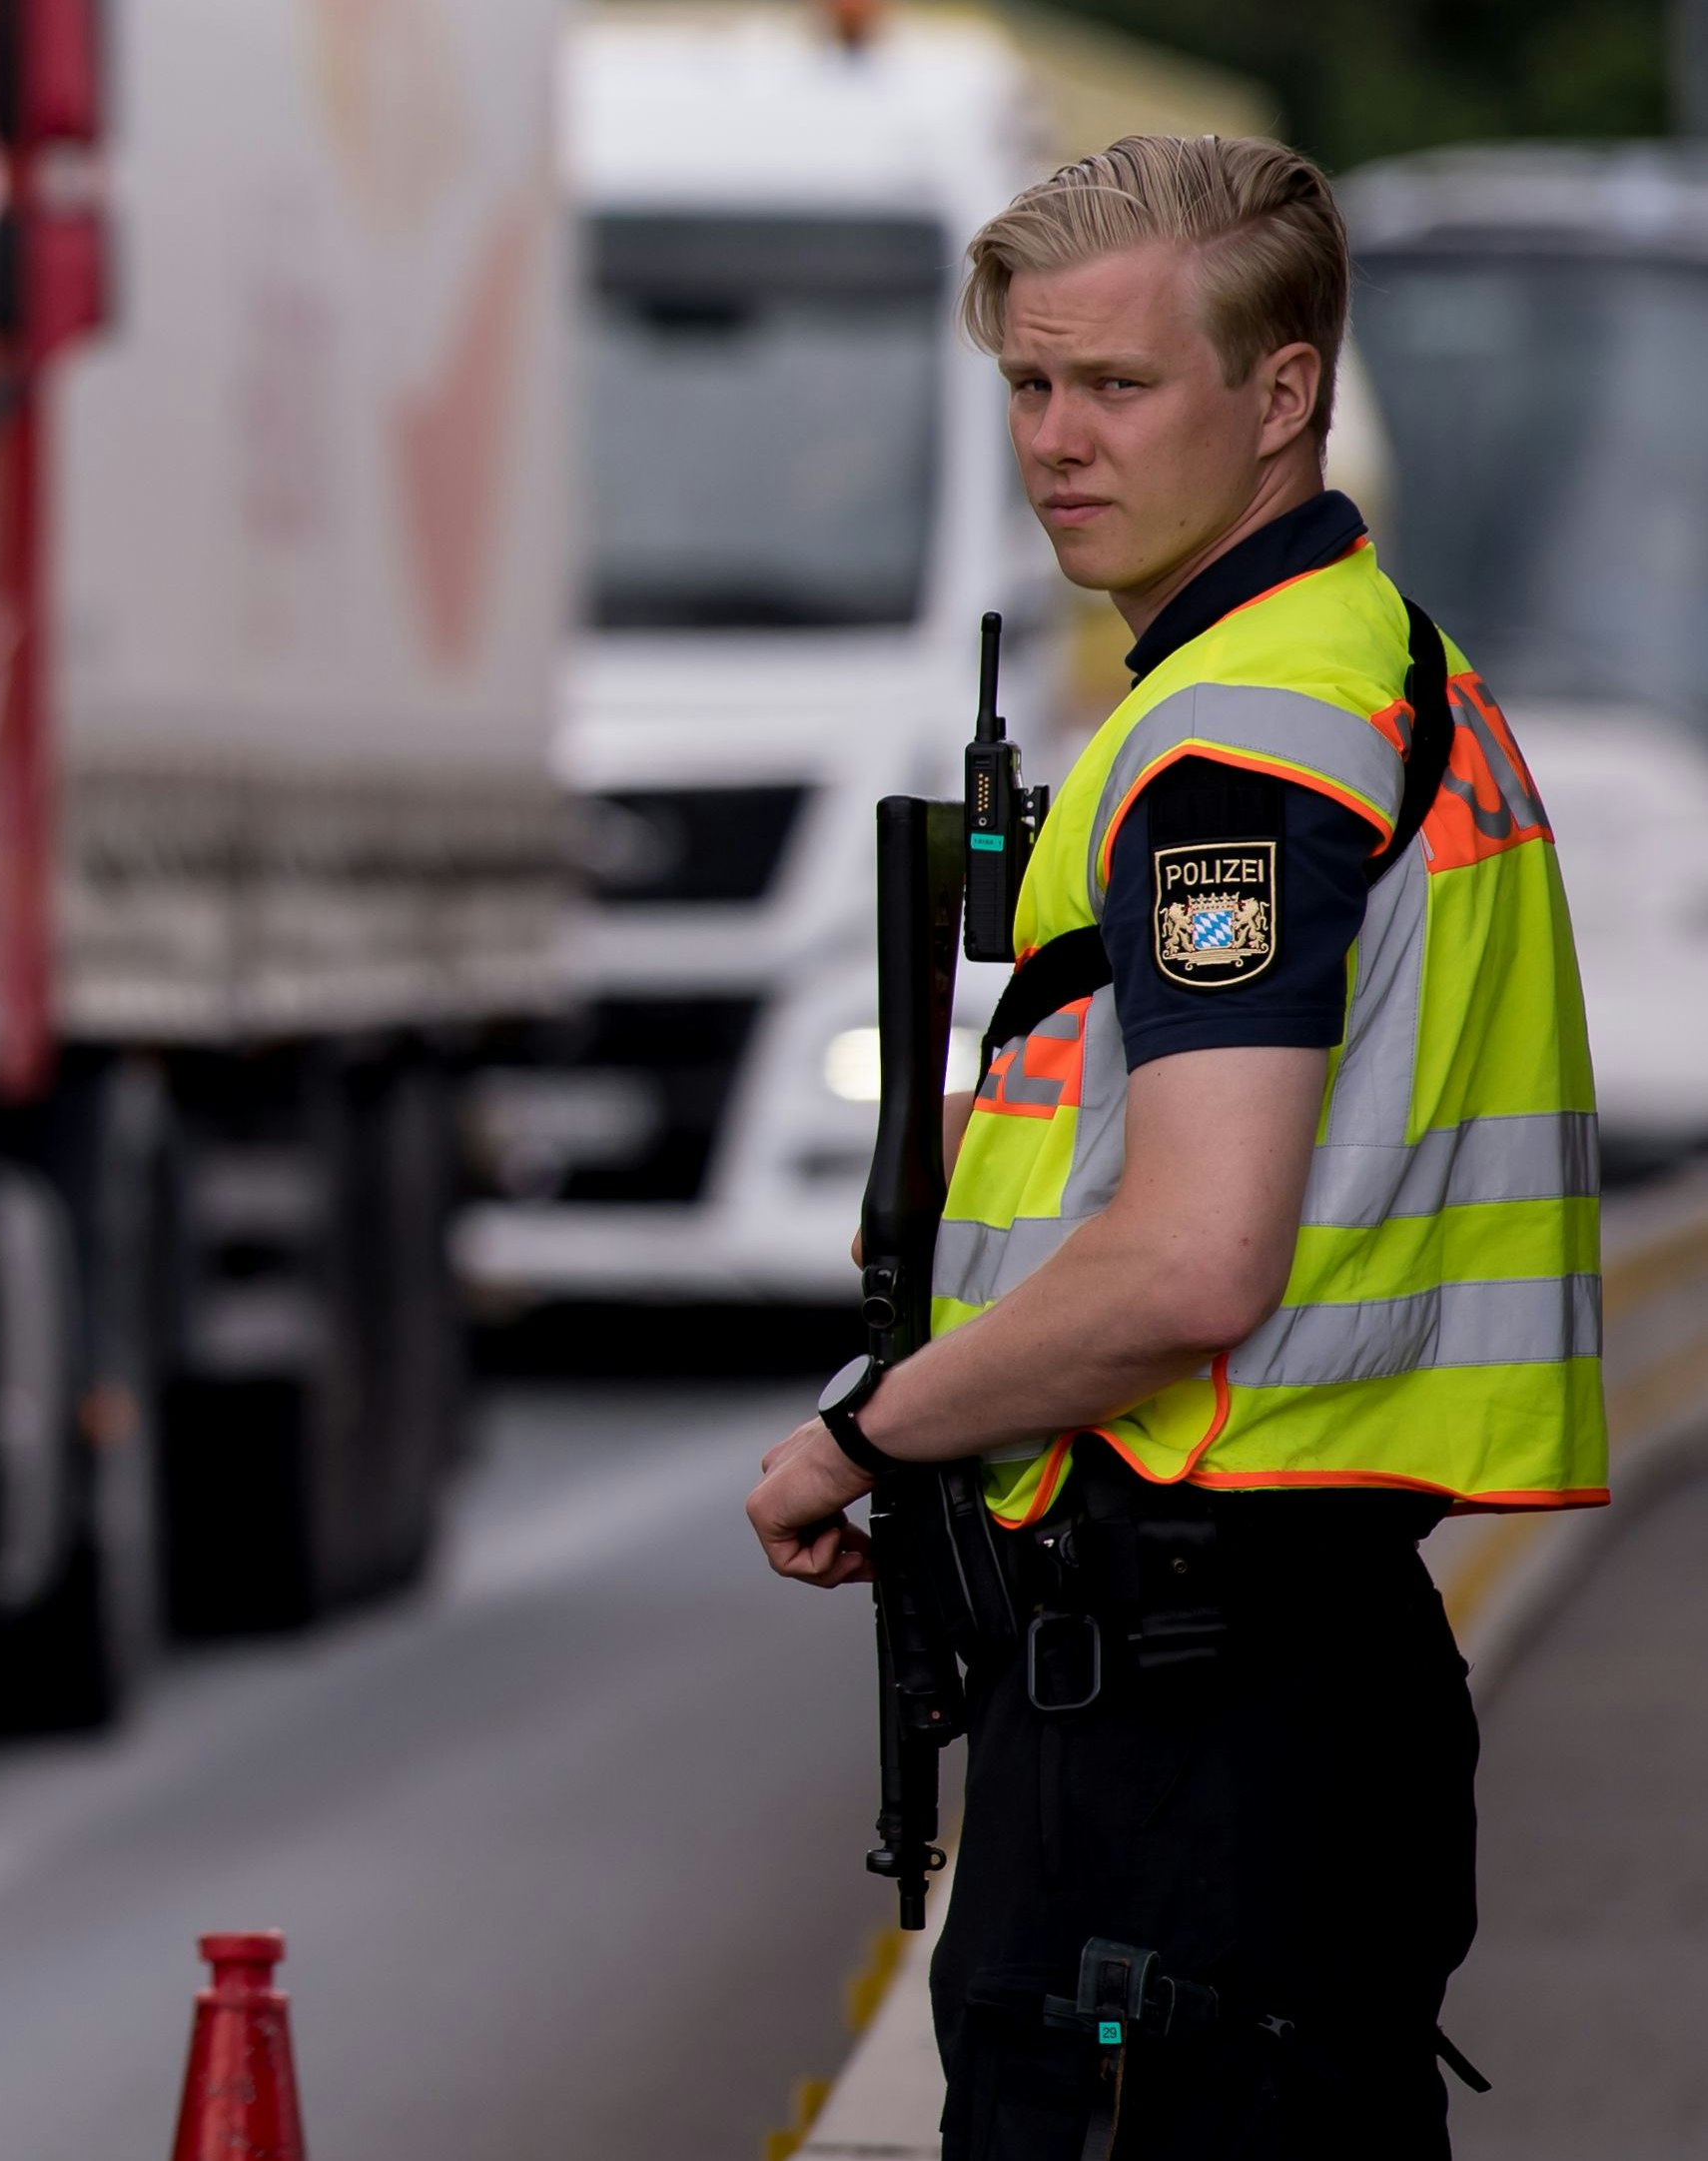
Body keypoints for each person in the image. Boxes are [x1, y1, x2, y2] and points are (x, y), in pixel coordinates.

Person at [745, 136, 1604, 2158]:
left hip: (1191, 1713)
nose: (1056, 440)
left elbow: (1195, 1255)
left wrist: (868, 1432)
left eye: (1117, 385)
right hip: (1290, 1686)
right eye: (1030, 384)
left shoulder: (1239, 745)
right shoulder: (1365, 667)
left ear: (1282, 390)